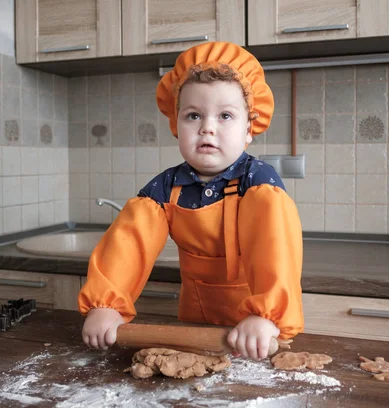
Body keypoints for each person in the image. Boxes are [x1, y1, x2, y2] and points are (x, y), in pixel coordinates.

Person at [78, 41, 303, 360]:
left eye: (225, 115)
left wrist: (266, 317)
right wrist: (106, 306)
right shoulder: (164, 188)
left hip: (254, 334)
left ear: (249, 128)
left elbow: (276, 250)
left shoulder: (259, 184)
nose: (207, 128)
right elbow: (127, 244)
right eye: (194, 115)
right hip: (192, 326)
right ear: (175, 123)